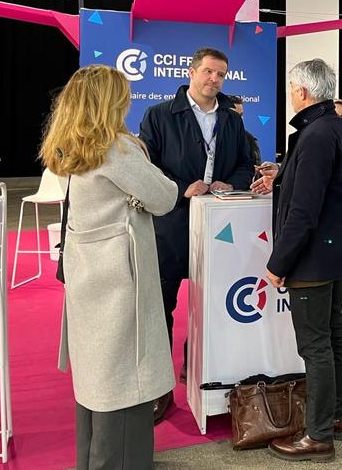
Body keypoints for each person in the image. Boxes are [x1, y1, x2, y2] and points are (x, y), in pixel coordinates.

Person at [42, 65, 179, 469]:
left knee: (96, 389)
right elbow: (165, 196)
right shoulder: (115, 149)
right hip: (120, 284)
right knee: (124, 389)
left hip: (89, 276)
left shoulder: (70, 145)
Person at [251, 59, 342, 463]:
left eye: (291, 89)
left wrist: (278, 262)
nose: (290, 95)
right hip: (334, 251)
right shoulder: (339, 128)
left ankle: (318, 435)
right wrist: (283, 176)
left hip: (313, 256)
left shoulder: (315, 133)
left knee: (316, 344)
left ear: (301, 91)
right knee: (333, 333)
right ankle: (335, 417)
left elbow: (303, 211)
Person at [138, 47, 255, 422]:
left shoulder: (231, 119)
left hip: (220, 227)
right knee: (161, 306)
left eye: (220, 74)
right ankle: (158, 389)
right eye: (208, 72)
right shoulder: (159, 115)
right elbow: (146, 167)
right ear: (191, 72)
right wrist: (179, 188)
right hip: (171, 224)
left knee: (214, 303)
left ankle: (197, 364)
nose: (214, 79)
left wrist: (230, 183)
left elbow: (246, 163)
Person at [229, 95, 262, 166]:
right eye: (235, 115)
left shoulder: (249, 139)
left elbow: (256, 165)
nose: (240, 119)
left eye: (241, 115)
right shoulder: (211, 138)